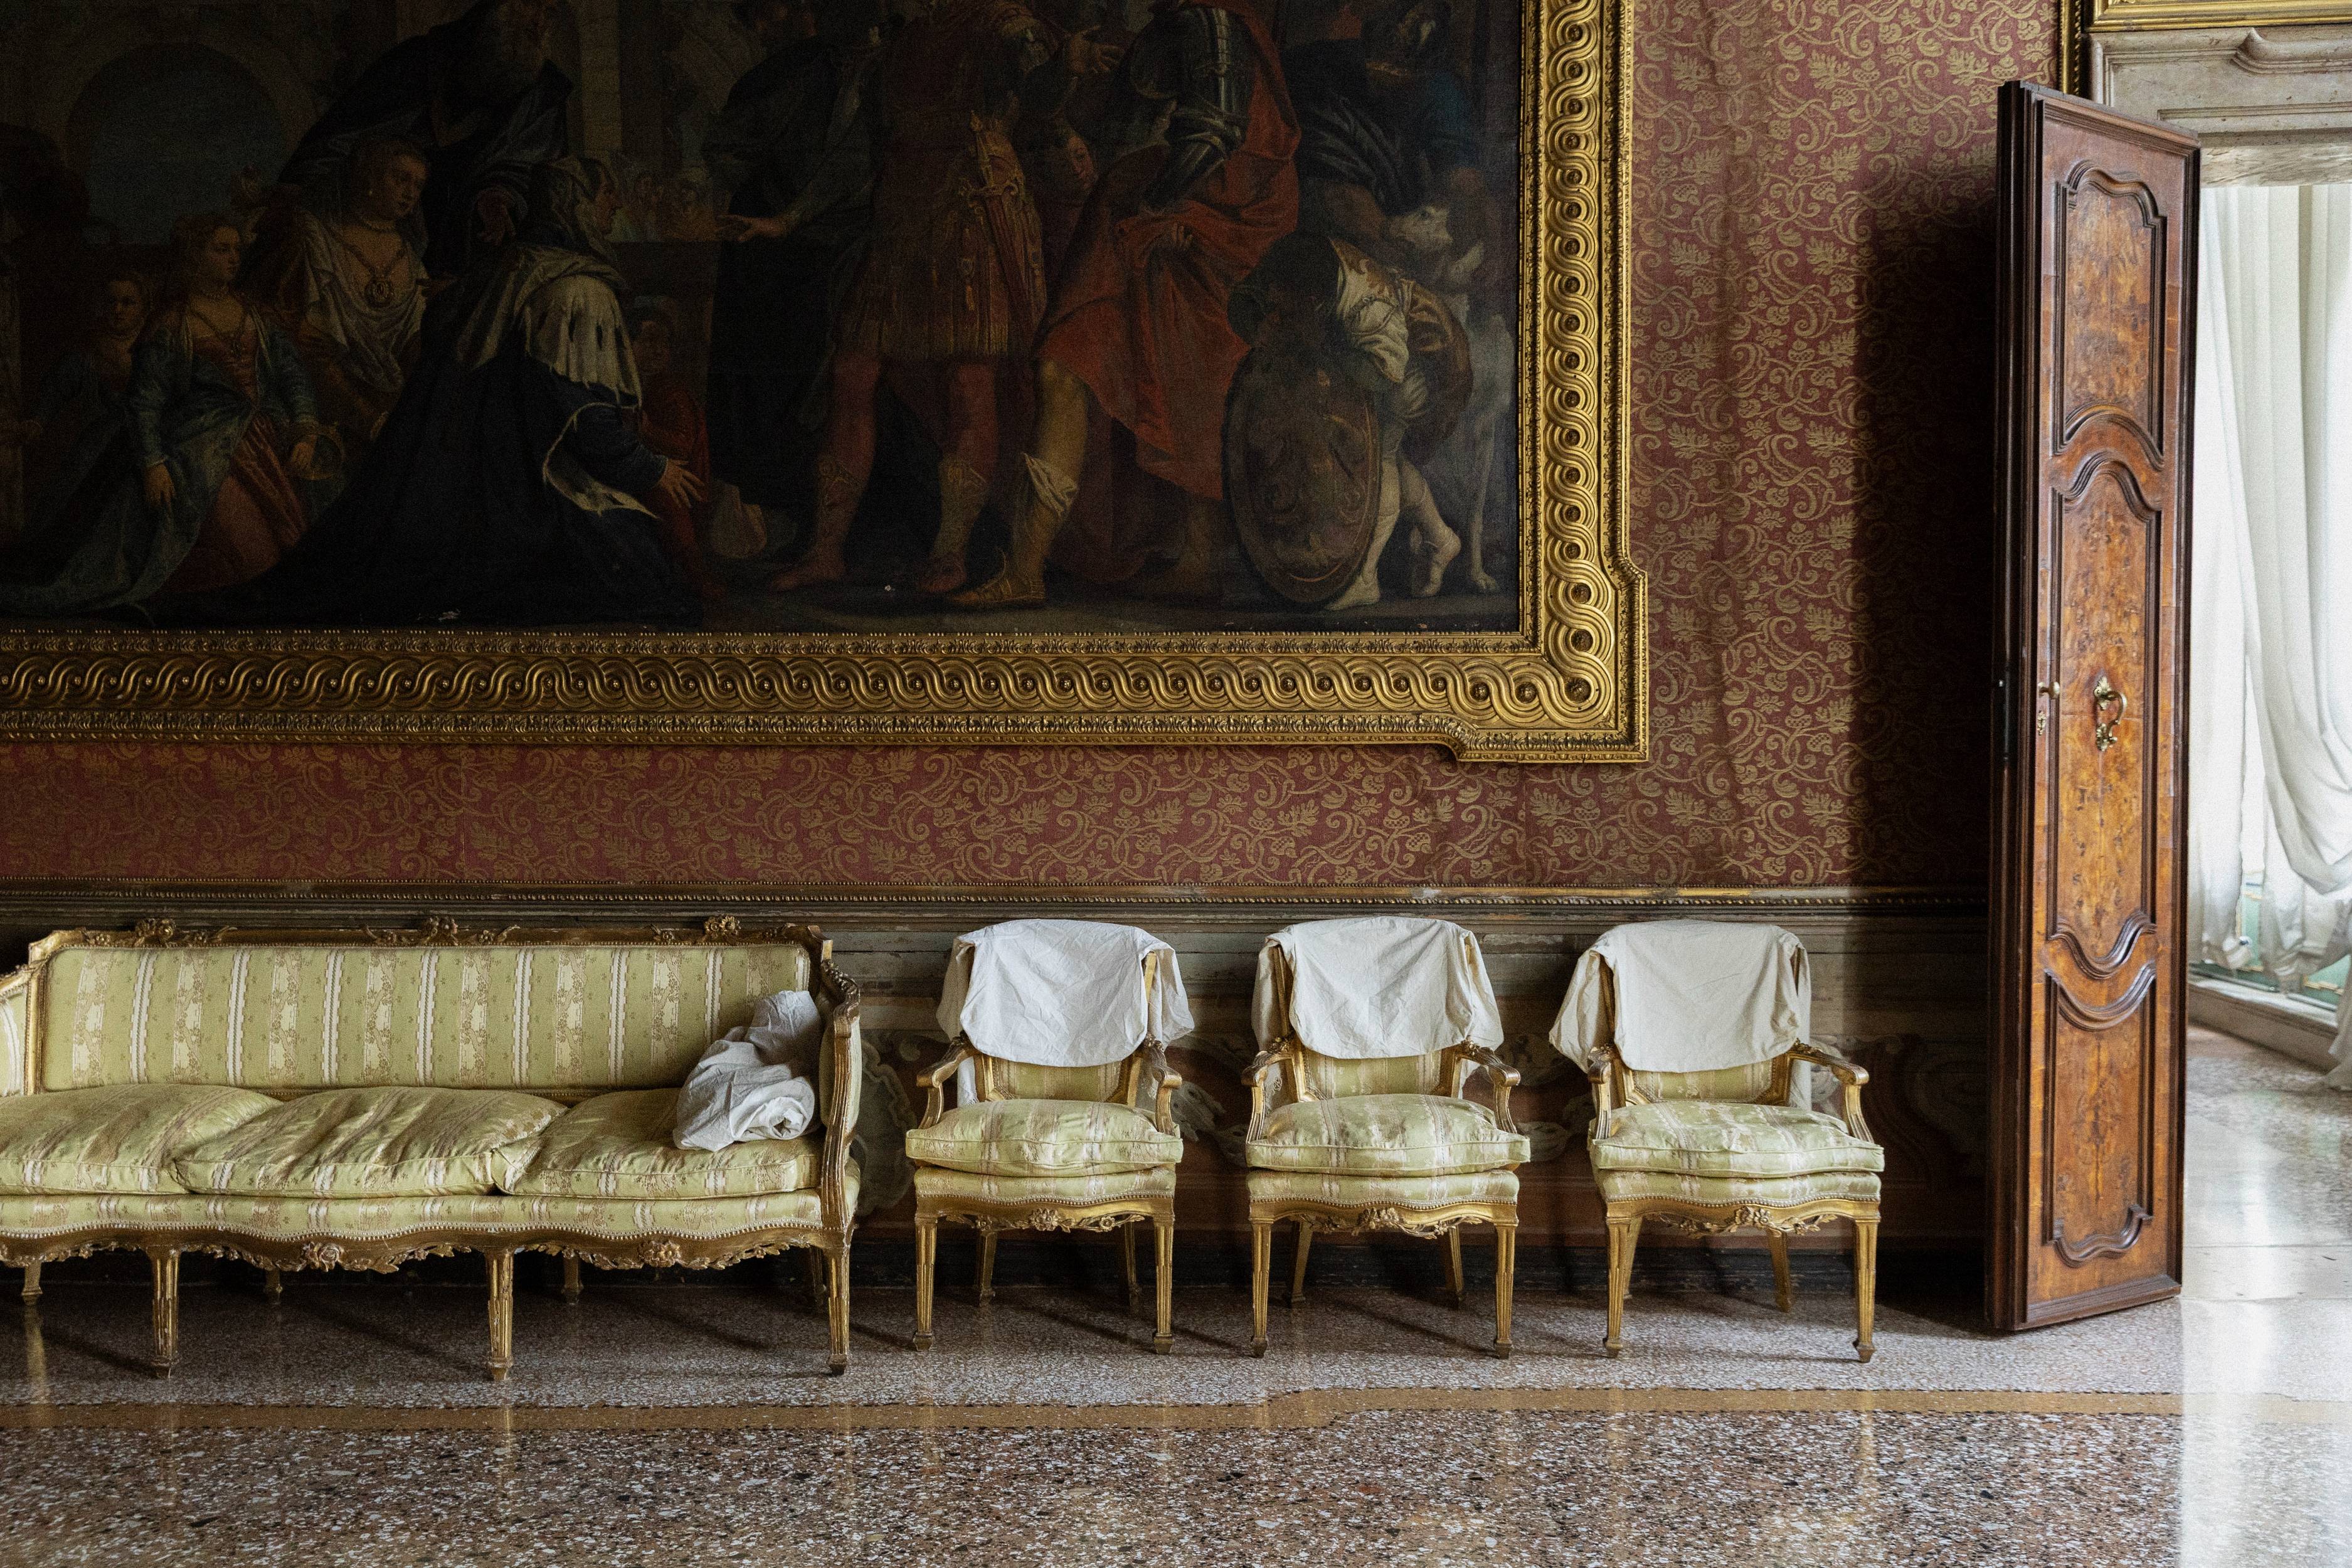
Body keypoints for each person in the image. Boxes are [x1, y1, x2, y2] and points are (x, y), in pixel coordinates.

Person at [245, 157, 701, 627]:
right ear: (578, 204)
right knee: (648, 578)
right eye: (606, 194)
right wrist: (650, 468)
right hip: (526, 485)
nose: (615, 206)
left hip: (471, 478)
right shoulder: (577, 291)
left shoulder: (510, 268)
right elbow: (584, 416)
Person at [765, 0, 1123, 596]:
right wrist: (790, 218)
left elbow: (1037, 93)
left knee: (967, 380)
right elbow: (862, 146)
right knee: (853, 372)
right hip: (902, 218)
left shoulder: (1008, 26)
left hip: (973, 208)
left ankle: (950, 554)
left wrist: (1068, 64)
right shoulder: (901, 45)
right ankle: (826, 549)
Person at [947, 0, 1298, 610]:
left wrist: (1158, 208)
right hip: (1139, 218)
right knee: (1067, 367)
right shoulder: (1167, 29)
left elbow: (1214, 131)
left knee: (1179, 390)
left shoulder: (1211, 22)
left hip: (1190, 228)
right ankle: (1027, 566)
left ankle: (1171, 562)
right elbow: (1094, 119)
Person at [0, 216, 327, 617]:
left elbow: (291, 372)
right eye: (220, 249)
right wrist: (154, 464)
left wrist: (306, 429)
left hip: (264, 443)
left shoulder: (257, 315)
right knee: (245, 551)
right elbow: (146, 402)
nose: (232, 259)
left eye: (236, 249)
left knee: (294, 543)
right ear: (195, 255)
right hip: (199, 449)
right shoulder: (172, 323)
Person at [705, 0, 882, 540]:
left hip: (851, 248)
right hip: (778, 253)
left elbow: (862, 161)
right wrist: (780, 198)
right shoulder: (783, 75)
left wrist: (794, 212)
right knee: (768, 377)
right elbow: (724, 149)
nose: (763, 30)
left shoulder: (891, 67)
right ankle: (776, 510)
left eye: (767, 14)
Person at [274, 0, 571, 279]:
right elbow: (336, 143)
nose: (538, 22)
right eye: (530, 3)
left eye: (549, 13)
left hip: (469, 259)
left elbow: (539, 179)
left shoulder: (543, 96)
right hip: (376, 244)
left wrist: (500, 195)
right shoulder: (417, 62)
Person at [241, 136, 431, 472]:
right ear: (370, 178)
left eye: (418, 185)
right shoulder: (316, 239)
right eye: (400, 178)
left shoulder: (411, 258)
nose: (410, 192)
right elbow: (297, 342)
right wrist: (368, 418)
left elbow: (414, 344)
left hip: (389, 407)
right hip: (319, 404)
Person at [0, 267, 149, 574]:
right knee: (68, 501)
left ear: (144, 306)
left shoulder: (158, 348)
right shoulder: (89, 353)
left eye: (127, 302)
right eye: (110, 302)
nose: (117, 310)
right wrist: (39, 421)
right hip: (97, 448)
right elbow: (57, 389)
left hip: (148, 447)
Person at [625, 301, 724, 603]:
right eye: (649, 341)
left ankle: (695, 578)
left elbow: (683, 445)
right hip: (639, 467)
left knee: (668, 498)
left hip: (681, 477)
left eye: (665, 343)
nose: (658, 350)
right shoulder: (628, 385)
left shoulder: (671, 392)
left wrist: (646, 432)